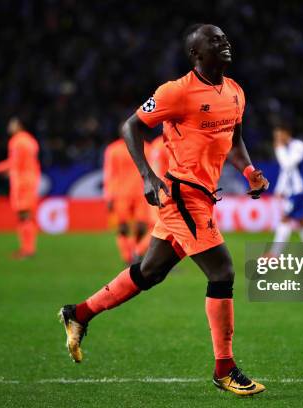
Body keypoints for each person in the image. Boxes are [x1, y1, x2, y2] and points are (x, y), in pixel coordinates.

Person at [58, 24, 269, 396]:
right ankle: (225, 368)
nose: (224, 43)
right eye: (214, 40)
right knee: (222, 271)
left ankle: (79, 313)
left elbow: (234, 140)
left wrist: (250, 171)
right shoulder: (177, 92)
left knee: (149, 272)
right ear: (195, 54)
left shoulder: (235, 91)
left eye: (224, 38)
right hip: (182, 195)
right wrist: (147, 176)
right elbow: (131, 127)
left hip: (203, 195)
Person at [0, 117, 41, 259]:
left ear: (19, 125)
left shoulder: (16, 141)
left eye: (12, 124)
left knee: (23, 216)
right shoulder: (31, 140)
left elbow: (14, 163)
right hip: (31, 179)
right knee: (27, 216)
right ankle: (29, 248)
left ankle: (27, 250)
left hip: (22, 182)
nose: (9, 126)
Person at [266, 125, 303, 257]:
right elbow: (286, 172)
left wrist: (278, 148)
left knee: (285, 218)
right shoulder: (286, 148)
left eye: (279, 136)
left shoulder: (299, 146)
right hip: (292, 191)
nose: (277, 140)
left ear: (287, 133)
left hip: (299, 190)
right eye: (275, 137)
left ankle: (274, 255)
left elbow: (288, 164)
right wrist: (280, 189)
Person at [103, 135, 151, 264]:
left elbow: (109, 173)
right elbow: (109, 173)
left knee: (133, 228)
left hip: (131, 193)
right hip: (129, 193)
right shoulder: (114, 149)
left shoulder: (145, 147)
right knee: (131, 227)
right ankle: (131, 257)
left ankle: (133, 256)